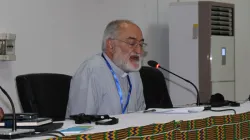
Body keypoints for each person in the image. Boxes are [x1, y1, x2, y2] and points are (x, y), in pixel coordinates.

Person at [66, 20, 147, 117]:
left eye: (141, 45)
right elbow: (82, 123)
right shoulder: (92, 71)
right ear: (111, 45)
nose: (139, 51)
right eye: (131, 43)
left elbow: (141, 117)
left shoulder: (134, 73)